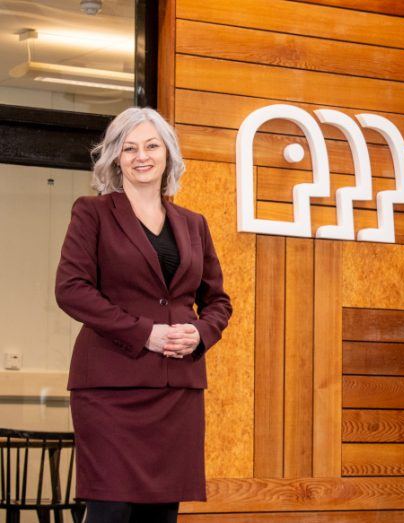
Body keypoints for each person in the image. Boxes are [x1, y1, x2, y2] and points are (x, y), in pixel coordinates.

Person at [55, 107, 232, 523]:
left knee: (161, 513)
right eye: (129, 147)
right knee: (111, 509)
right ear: (116, 157)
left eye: (152, 145)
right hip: (111, 388)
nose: (141, 156)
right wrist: (144, 333)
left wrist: (200, 334)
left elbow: (218, 301)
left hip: (177, 390)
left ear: (168, 154)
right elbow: (71, 289)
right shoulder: (92, 212)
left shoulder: (193, 224)